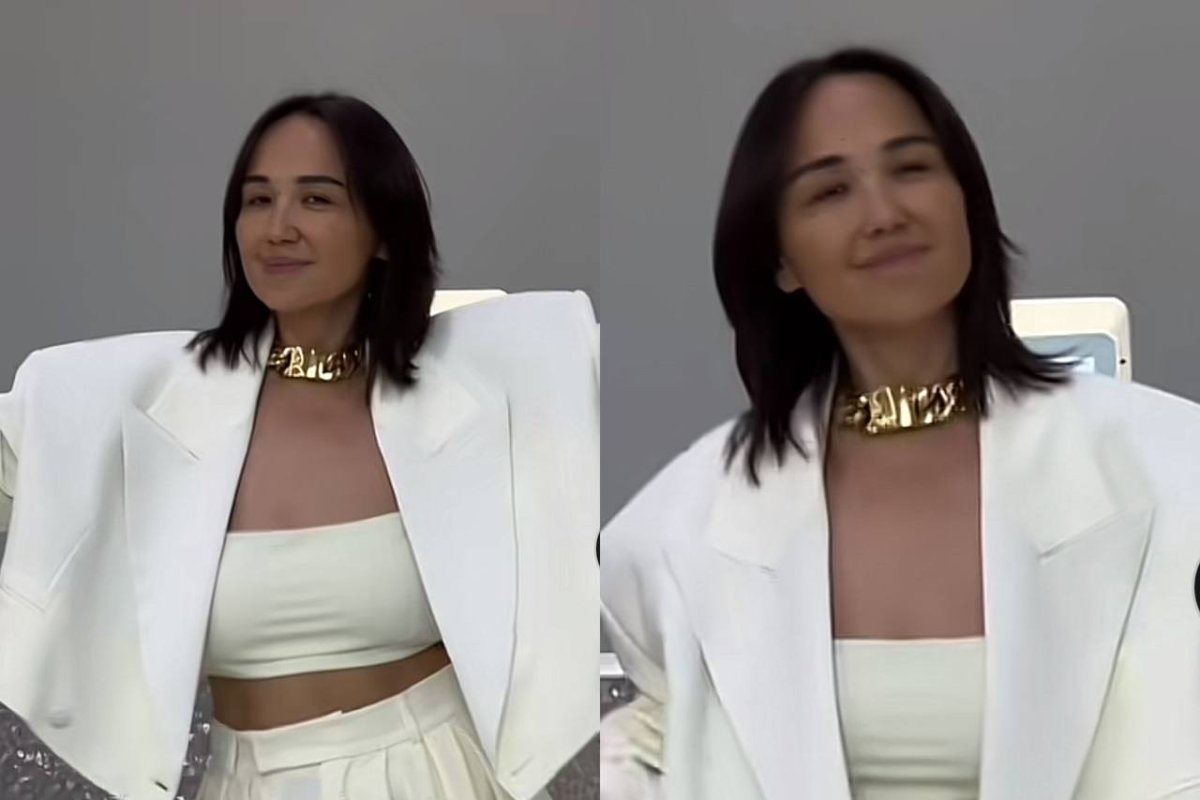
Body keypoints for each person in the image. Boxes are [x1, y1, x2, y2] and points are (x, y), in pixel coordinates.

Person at [599, 47, 1200, 799]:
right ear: (780, 259)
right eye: (830, 191)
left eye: (912, 168)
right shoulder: (672, 533)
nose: (885, 215)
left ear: (965, 201)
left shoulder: (1174, 470)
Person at [0, 93, 599, 800]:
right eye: (257, 201)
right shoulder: (134, 401)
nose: (277, 228)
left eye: (316, 199)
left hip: (433, 775)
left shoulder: (487, 380)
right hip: (239, 781)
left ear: (384, 230)